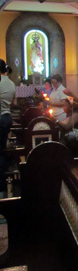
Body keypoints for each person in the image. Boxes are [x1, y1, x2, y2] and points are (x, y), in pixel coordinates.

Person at [0, 60, 15, 198]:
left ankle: (1, 186)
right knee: (2, 150)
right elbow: (14, 101)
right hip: (6, 117)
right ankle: (4, 186)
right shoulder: (10, 83)